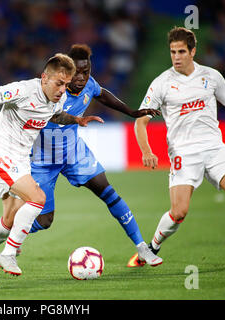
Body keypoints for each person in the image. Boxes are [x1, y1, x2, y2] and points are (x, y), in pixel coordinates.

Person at [0, 53, 103, 276]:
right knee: (38, 198)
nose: (63, 90)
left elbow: (55, 115)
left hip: (21, 159)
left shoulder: (57, 98)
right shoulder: (23, 90)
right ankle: (8, 255)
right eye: (59, 83)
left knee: (10, 221)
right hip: (0, 153)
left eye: (66, 85)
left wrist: (76, 120)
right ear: (44, 78)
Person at [128, 27, 225, 267]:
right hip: (183, 152)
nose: (176, 57)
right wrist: (146, 150)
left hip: (214, 147)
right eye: (172, 52)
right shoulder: (161, 83)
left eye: (181, 51)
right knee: (179, 212)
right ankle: (151, 248)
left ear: (193, 51)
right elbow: (141, 121)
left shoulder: (211, 76)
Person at [25, 44, 162, 266]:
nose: (81, 77)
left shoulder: (89, 84)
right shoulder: (52, 90)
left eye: (86, 72)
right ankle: (14, 232)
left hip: (74, 153)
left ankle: (142, 248)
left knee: (107, 191)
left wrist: (132, 112)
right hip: (43, 160)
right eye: (76, 72)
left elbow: (103, 95)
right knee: (44, 220)